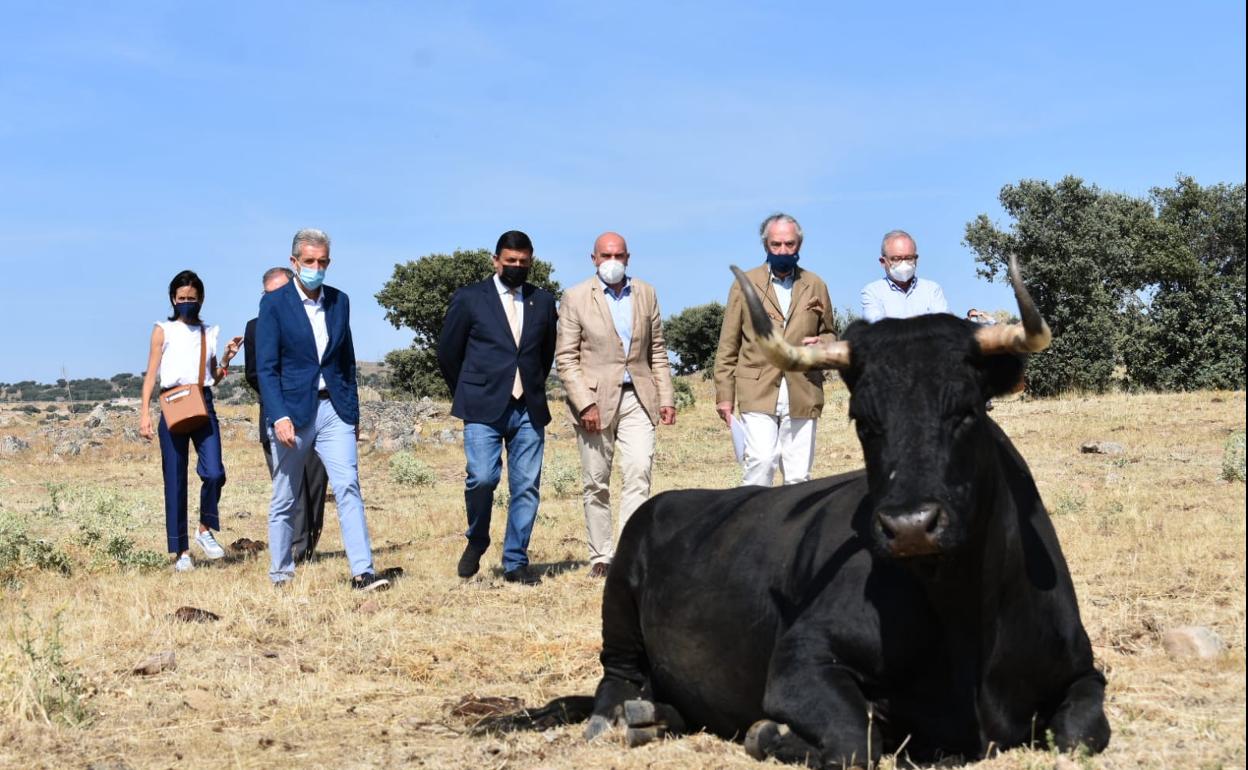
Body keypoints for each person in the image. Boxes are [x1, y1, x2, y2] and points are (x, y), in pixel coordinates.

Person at [255, 228, 389, 591]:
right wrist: (278, 415)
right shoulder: (274, 304)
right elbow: (267, 367)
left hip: (335, 410)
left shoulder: (339, 301)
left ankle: (363, 572)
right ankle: (281, 573)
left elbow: (345, 361)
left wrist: (353, 413)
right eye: (310, 261)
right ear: (294, 262)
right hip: (293, 413)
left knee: (348, 487)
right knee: (285, 495)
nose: (317, 267)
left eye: (323, 261)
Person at [438, 230, 559, 585]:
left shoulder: (544, 301)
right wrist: (468, 390)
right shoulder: (470, 298)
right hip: (481, 406)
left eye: (523, 262)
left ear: (531, 261)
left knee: (526, 487)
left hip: (528, 410)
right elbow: (448, 352)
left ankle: (515, 562)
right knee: (483, 477)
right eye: (510, 262)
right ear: (496, 261)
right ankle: (477, 538)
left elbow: (545, 353)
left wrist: (530, 385)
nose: (517, 268)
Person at [555, 232, 676, 578]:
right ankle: (601, 555)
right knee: (597, 480)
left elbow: (657, 351)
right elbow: (566, 358)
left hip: (638, 395)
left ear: (628, 257)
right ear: (593, 258)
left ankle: (630, 551)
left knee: (639, 470)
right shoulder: (576, 297)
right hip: (593, 401)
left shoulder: (646, 293)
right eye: (606, 255)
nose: (612, 261)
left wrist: (666, 397)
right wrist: (584, 404)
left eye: (619, 255)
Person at [714, 213, 838, 486]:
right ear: (765, 246)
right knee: (760, 462)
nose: (783, 250)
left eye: (789, 244)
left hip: (803, 388)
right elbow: (728, 344)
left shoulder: (816, 284)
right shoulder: (744, 284)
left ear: (799, 245)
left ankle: (794, 529)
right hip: (757, 388)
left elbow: (829, 332)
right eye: (776, 244)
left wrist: (824, 345)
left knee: (798, 476)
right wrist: (724, 395)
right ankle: (753, 527)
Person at [139, 270, 242, 572]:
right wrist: (145, 413)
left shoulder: (208, 332)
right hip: (172, 403)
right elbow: (151, 373)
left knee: (214, 472)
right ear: (173, 299)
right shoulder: (162, 330)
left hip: (202, 401)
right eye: (181, 298)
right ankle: (181, 551)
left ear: (201, 300)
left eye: (192, 299)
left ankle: (204, 528)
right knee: (174, 478)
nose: (186, 303)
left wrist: (226, 359)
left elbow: (214, 376)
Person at [244, 266, 328, 563]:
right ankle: (294, 550)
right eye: (271, 294)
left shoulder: (316, 320)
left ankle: (308, 546)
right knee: (289, 489)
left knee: (315, 485)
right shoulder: (255, 327)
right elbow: (255, 373)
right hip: (277, 416)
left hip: (316, 414)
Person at [860, 229, 949, 322]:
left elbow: (944, 325)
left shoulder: (932, 290)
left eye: (909, 258)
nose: (903, 264)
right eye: (896, 259)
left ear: (916, 259)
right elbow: (879, 329)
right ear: (883, 262)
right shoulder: (873, 292)